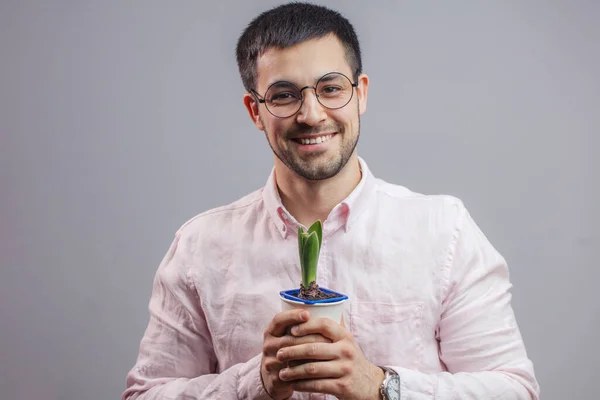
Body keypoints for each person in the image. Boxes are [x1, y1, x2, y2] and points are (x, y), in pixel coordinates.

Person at [123, 3, 539, 399]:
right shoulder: (201, 246)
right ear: (255, 111)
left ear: (360, 94)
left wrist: (380, 386)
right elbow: (145, 394)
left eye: (331, 88)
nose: (312, 114)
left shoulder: (443, 230)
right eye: (284, 95)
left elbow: (514, 390)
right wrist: (256, 383)